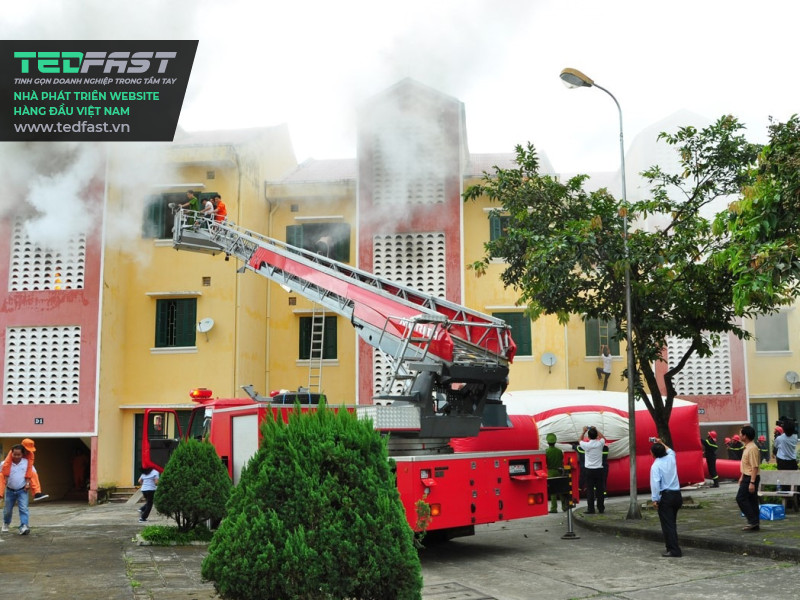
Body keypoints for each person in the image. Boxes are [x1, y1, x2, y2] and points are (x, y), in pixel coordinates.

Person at [650, 438, 683, 557]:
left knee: (667, 525)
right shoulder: (671, 458)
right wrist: (661, 442)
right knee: (672, 523)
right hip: (677, 495)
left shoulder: (656, 465)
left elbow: (655, 484)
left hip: (666, 496)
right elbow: (671, 451)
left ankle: (674, 549)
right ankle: (673, 547)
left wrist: (655, 499)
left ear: (653, 454)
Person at [2, 444, 31, 535]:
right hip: (10, 490)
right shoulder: (4, 464)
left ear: (22, 454)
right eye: (14, 454)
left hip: (22, 490)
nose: (16, 457)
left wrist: (28, 484)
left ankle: (24, 526)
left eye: (19, 455)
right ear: (11, 453)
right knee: (7, 509)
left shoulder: (26, 463)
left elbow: (32, 475)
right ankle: (6, 523)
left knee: (23, 508)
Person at [737, 425, 761, 532]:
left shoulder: (752, 448)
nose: (739, 435)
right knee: (752, 500)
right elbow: (746, 465)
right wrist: (742, 476)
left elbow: (754, 467)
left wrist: (752, 482)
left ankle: (752, 520)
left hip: (751, 477)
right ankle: (755, 523)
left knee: (740, 498)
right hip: (746, 476)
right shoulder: (747, 447)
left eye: (741, 433)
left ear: (745, 436)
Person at [579, 425, 606, 514]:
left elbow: (579, 440)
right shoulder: (600, 444)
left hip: (589, 470)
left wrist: (583, 431)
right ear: (596, 436)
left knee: (590, 491)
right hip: (599, 470)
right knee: (600, 490)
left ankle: (591, 509)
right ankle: (601, 508)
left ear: (589, 437)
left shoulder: (586, 445)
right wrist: (596, 429)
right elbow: (603, 438)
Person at [545, 433, 569, 513]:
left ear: (548, 442)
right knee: (561, 490)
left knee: (553, 491)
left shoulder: (546, 452)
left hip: (550, 472)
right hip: (559, 471)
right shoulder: (559, 451)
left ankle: (553, 508)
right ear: (555, 442)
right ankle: (564, 507)